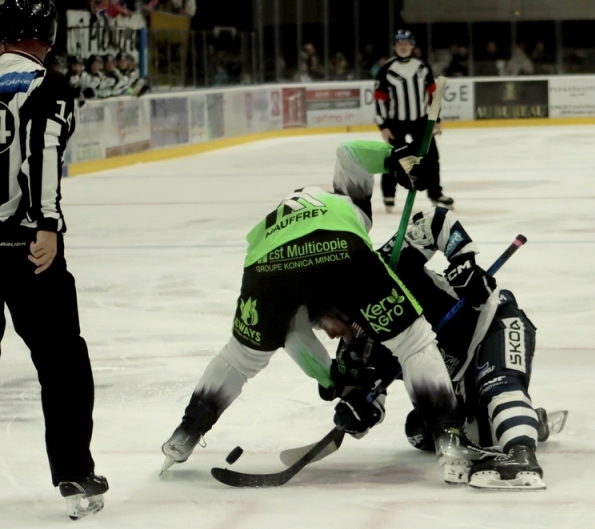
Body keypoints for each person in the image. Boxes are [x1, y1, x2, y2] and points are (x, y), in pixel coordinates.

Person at [160, 141, 501, 484]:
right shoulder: (344, 205)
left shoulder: (279, 228)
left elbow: (294, 338)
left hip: (264, 268)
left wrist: (332, 379)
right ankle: (450, 440)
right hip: (339, 249)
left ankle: (186, 433)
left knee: (238, 359)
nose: (334, 334)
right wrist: (394, 158)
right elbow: (349, 154)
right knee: (413, 342)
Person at [315, 207, 568, 490]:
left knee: (499, 387)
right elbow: (370, 400)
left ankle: (522, 456)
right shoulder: (353, 350)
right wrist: (358, 413)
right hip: (457, 377)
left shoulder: (385, 267)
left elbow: (434, 222)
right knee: (420, 431)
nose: (330, 332)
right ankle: (525, 421)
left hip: (491, 322)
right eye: (319, 326)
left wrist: (464, 264)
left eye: (328, 320)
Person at [0, 0, 108, 520]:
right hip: (26, 249)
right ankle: (73, 471)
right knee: (62, 361)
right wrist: (47, 224)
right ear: (48, 34)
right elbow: (44, 149)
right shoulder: (48, 85)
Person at [374, 29, 454, 212]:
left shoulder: (422, 66)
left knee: (431, 157)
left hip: (421, 121)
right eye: (399, 43)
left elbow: (434, 94)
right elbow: (379, 99)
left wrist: (437, 119)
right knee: (394, 158)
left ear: (412, 45)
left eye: (406, 42)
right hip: (396, 122)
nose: (403, 46)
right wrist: (383, 125)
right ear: (395, 46)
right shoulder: (386, 69)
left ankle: (435, 193)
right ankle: (389, 195)